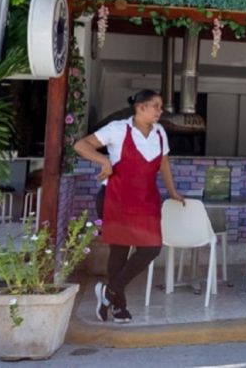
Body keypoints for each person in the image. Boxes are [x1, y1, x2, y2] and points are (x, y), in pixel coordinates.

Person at [73, 89, 184, 323]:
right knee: (120, 251)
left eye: (161, 107)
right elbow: (81, 145)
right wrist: (104, 160)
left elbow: (163, 163)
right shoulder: (117, 129)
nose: (160, 111)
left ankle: (109, 291)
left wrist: (172, 191)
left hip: (146, 199)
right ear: (141, 107)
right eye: (156, 106)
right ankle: (118, 306)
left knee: (152, 247)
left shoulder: (160, 132)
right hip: (116, 198)